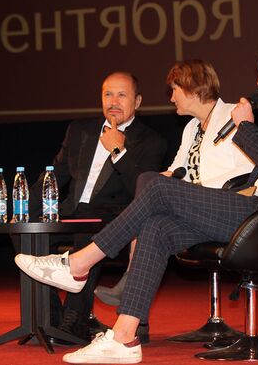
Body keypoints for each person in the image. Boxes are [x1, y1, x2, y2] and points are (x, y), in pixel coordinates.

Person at [15, 37, 258, 363]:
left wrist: (245, 128)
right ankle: (124, 336)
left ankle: (78, 265)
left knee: (158, 189)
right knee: (159, 227)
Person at [94, 59, 255, 306]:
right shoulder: (192, 128)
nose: (171, 98)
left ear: (192, 88)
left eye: (175, 90)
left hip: (229, 209)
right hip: (197, 208)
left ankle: (113, 268)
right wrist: (163, 182)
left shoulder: (233, 115)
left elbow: (248, 173)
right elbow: (176, 172)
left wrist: (187, 189)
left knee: (151, 184)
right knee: (151, 198)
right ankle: (132, 319)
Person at [25, 71, 167, 344]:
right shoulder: (80, 130)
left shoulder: (151, 141)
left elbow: (143, 190)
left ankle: (73, 321)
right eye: (108, 94)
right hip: (71, 212)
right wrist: (24, 209)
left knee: (87, 224)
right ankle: (49, 319)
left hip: (115, 219)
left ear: (137, 101)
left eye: (122, 95)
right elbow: (55, 175)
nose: (113, 101)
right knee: (25, 228)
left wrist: (117, 151)